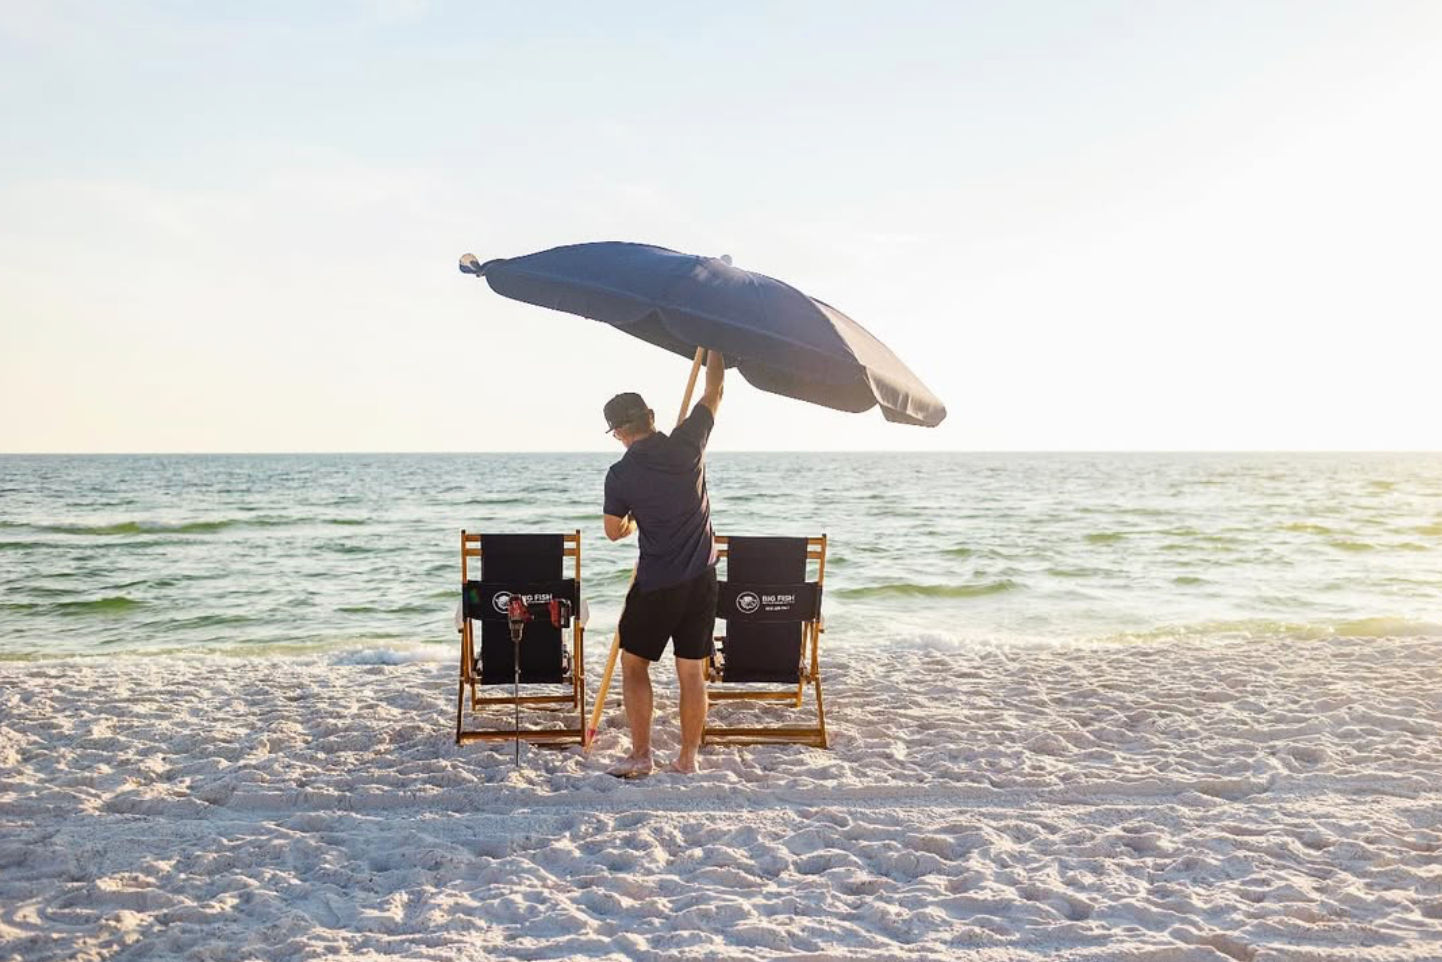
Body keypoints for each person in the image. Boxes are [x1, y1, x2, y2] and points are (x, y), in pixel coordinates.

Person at [601, 350, 725, 777]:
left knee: (634, 665)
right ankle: (687, 759)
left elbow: (613, 531)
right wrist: (715, 347)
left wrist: (633, 523)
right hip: (703, 578)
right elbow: (715, 390)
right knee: (692, 672)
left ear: (618, 432)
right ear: (651, 416)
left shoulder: (620, 474)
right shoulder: (689, 442)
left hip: (656, 584)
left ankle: (641, 755)